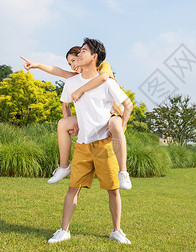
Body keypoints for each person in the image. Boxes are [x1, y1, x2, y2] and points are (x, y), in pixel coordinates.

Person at [48, 38, 133, 244]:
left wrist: (120, 129)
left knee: (113, 190)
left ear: (94, 57)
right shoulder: (72, 82)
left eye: (83, 51)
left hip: (104, 144)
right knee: (72, 189)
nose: (79, 55)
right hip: (83, 145)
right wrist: (72, 125)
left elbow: (128, 105)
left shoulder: (107, 81)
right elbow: (66, 106)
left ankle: (116, 230)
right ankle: (64, 230)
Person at [20, 47, 132, 190]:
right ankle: (64, 166)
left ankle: (123, 172)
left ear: (85, 57)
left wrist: (80, 91)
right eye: (69, 63)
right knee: (62, 124)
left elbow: (104, 77)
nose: (73, 65)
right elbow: (58, 72)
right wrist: (37, 65)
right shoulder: (75, 78)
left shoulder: (104, 67)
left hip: (112, 115)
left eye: (74, 60)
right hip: (91, 119)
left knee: (115, 125)